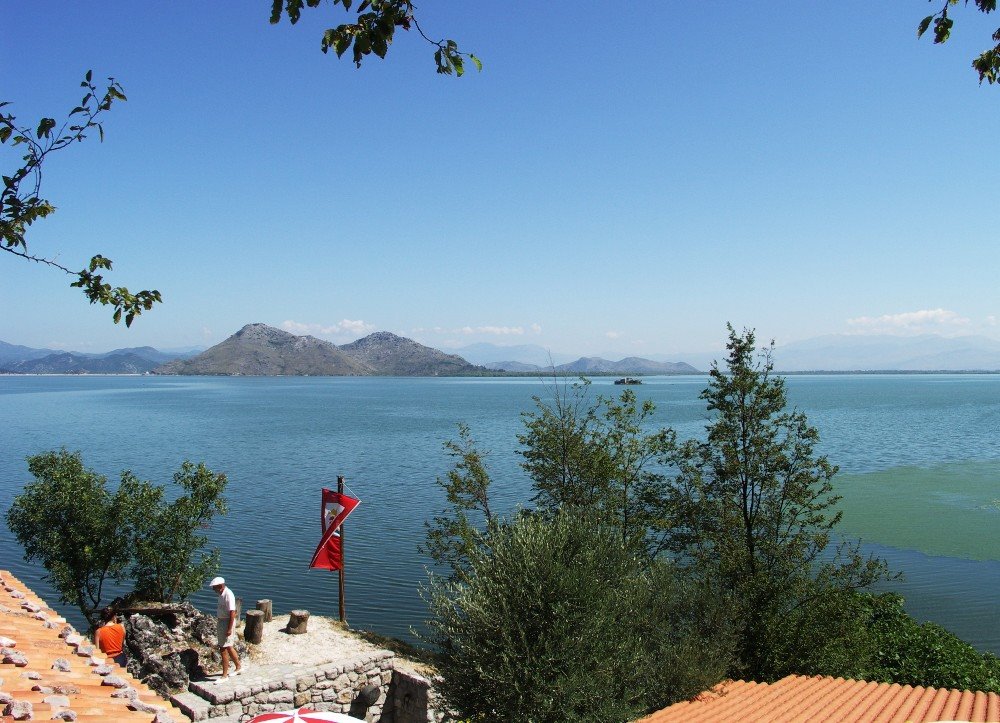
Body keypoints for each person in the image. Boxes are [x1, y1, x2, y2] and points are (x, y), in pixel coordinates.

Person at [209, 576, 242, 678]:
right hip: (222, 621)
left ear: (220, 586)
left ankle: (224, 675)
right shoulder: (221, 594)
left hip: (226, 622)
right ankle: (238, 666)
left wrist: (229, 628)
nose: (213, 590)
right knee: (228, 646)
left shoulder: (228, 594)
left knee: (223, 648)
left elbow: (232, 612)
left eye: (214, 587)